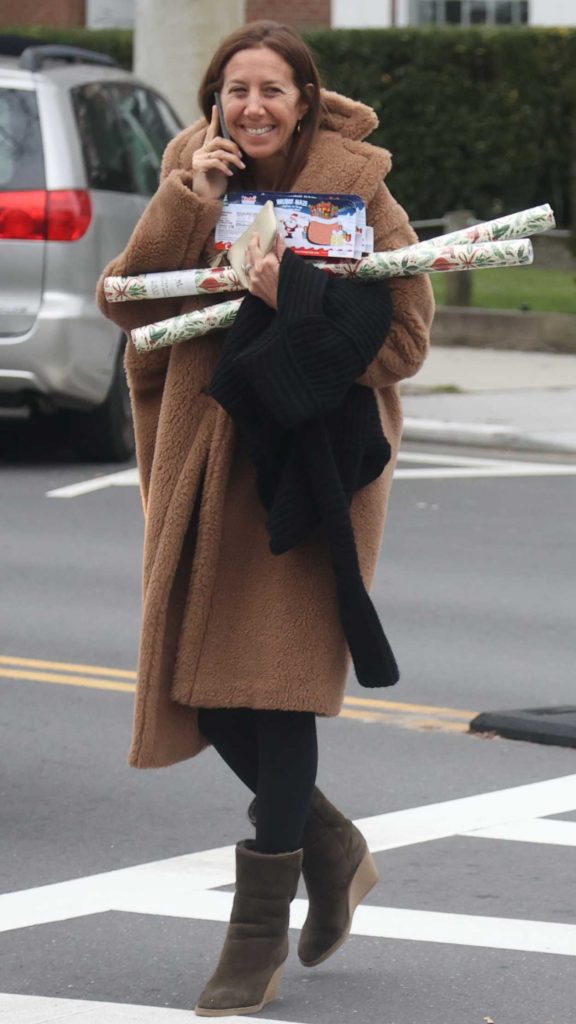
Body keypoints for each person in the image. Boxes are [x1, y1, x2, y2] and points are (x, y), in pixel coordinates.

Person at [97, 19, 434, 1018]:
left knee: (276, 689)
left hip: (308, 467)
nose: (252, 108)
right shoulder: (190, 174)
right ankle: (331, 847)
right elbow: (128, 302)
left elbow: (407, 338)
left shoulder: (358, 188)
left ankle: (254, 938)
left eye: (270, 90)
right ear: (214, 100)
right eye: (234, 90)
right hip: (205, 459)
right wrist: (182, 203)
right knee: (201, 681)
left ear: (303, 96)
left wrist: (297, 295)